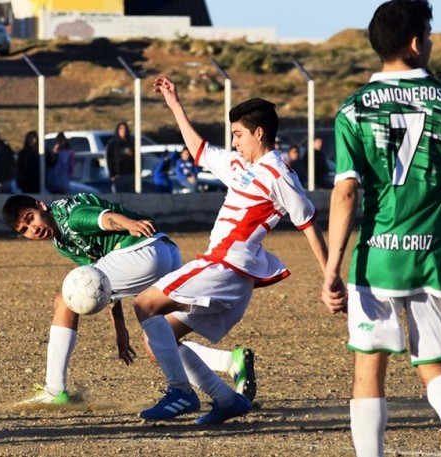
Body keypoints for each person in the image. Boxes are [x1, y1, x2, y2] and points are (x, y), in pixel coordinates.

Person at [320, 1, 441, 456]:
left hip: (377, 255)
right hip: (437, 254)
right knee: (436, 362)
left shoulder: (353, 110)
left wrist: (331, 269)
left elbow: (345, 193)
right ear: (418, 43)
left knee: (369, 365)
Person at [140, 76, 329, 424]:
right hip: (230, 277)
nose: (234, 142)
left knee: (145, 303)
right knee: (158, 343)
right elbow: (199, 149)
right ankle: (226, 399)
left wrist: (330, 277)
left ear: (259, 133)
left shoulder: (279, 174)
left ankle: (180, 393)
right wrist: (174, 104)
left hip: (226, 266)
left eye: (238, 134)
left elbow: (308, 224)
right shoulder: (242, 166)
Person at [2, 194, 255, 407]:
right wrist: (120, 328)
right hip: (165, 251)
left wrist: (129, 224)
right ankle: (229, 362)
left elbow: (103, 218)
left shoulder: (68, 214)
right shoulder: (61, 241)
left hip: (141, 250)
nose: (32, 229)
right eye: (24, 230)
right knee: (157, 343)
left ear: (41, 205)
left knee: (64, 300)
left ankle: (55, 390)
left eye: (29, 218)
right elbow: (98, 282)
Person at [105, 122, 134, 193]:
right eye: (121, 129)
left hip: (130, 175)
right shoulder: (113, 144)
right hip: (118, 175)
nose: (123, 131)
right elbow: (109, 159)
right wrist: (112, 174)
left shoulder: (131, 143)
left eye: (124, 129)